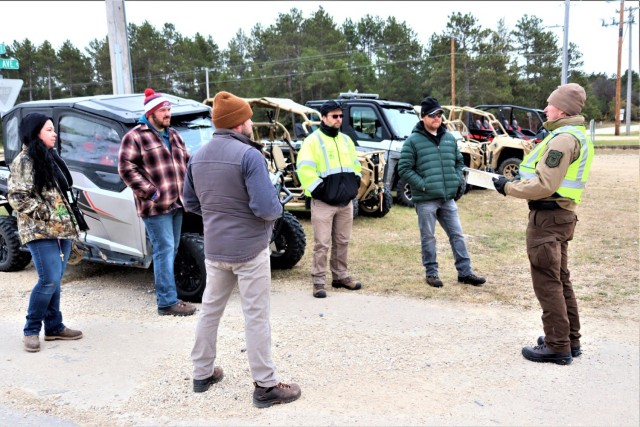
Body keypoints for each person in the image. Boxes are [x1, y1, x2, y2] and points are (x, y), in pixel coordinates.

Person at [184, 91, 301, 408]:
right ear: (238, 123)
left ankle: (202, 372)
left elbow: (190, 203)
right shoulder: (249, 156)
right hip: (249, 250)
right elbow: (267, 208)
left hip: (215, 248)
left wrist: (217, 213)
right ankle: (265, 385)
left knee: (210, 311)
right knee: (256, 316)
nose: (251, 122)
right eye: (247, 117)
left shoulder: (197, 155)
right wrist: (275, 206)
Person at [493, 83, 594, 365]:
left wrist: (508, 187)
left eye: (550, 104)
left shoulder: (562, 140)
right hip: (561, 216)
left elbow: (545, 184)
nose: (546, 108)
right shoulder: (574, 135)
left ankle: (557, 344)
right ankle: (569, 339)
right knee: (560, 280)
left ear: (562, 109)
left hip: (548, 218)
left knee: (547, 283)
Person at [7, 113, 83, 352]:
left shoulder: (50, 157)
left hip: (61, 229)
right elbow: (18, 197)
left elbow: (63, 193)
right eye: (49, 129)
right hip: (39, 230)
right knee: (48, 279)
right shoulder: (24, 160)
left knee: (55, 279)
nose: (54, 133)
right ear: (36, 132)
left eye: (53, 129)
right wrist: (48, 213)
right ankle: (31, 330)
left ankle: (54, 327)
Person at [118, 88, 196, 317]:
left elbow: (188, 163)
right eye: (163, 110)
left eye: (169, 109)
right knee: (164, 250)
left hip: (177, 203)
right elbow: (126, 168)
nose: (168, 114)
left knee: (171, 250)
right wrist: (152, 193)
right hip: (155, 206)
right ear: (151, 112)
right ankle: (166, 302)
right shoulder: (135, 136)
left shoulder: (174, 135)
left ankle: (170, 295)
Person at [398, 96, 485, 289]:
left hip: (447, 198)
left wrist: (455, 180)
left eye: (439, 114)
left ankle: (465, 272)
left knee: (458, 235)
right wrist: (423, 184)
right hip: (426, 199)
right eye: (432, 115)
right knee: (428, 237)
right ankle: (431, 273)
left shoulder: (449, 138)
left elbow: (459, 162)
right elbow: (404, 169)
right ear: (423, 118)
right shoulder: (413, 141)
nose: (437, 118)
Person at [296, 100, 363, 298]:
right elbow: (305, 169)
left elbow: (356, 165)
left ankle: (340, 276)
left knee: (342, 241)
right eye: (335, 116)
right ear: (323, 118)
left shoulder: (346, 140)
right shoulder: (312, 141)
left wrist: (355, 183)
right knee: (322, 244)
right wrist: (322, 191)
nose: (339, 120)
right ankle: (318, 282)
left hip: (345, 202)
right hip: (323, 203)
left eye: (341, 116)